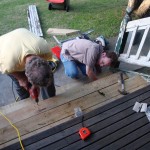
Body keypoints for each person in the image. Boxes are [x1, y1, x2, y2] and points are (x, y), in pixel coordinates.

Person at [0, 28, 56, 101]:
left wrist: (35, 84)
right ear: (27, 75)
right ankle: (25, 101)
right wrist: (21, 79)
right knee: (21, 84)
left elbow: (43, 72)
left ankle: (51, 100)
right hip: (4, 47)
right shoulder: (8, 64)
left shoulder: (45, 49)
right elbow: (9, 70)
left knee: (46, 78)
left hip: (21, 34)